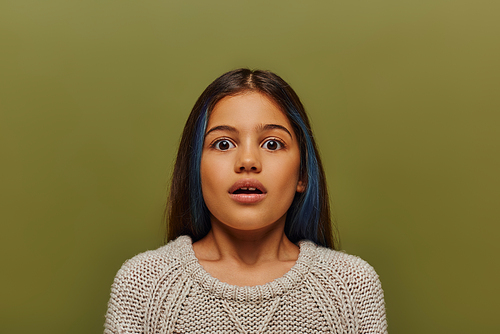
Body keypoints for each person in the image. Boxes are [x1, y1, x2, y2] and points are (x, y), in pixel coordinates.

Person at [104, 69, 388, 333]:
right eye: (223, 144)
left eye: (272, 144)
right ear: (195, 170)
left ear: (302, 173)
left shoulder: (352, 286)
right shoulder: (143, 284)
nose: (248, 161)